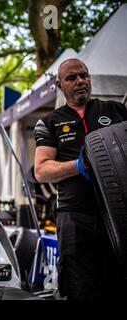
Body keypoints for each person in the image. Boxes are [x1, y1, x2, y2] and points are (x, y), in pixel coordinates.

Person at [34, 58, 127, 299]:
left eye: (84, 76)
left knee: (117, 283)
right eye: (72, 78)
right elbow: (41, 170)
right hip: (75, 217)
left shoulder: (114, 110)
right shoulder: (50, 122)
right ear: (59, 85)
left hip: (117, 214)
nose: (80, 81)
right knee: (79, 286)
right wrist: (78, 166)